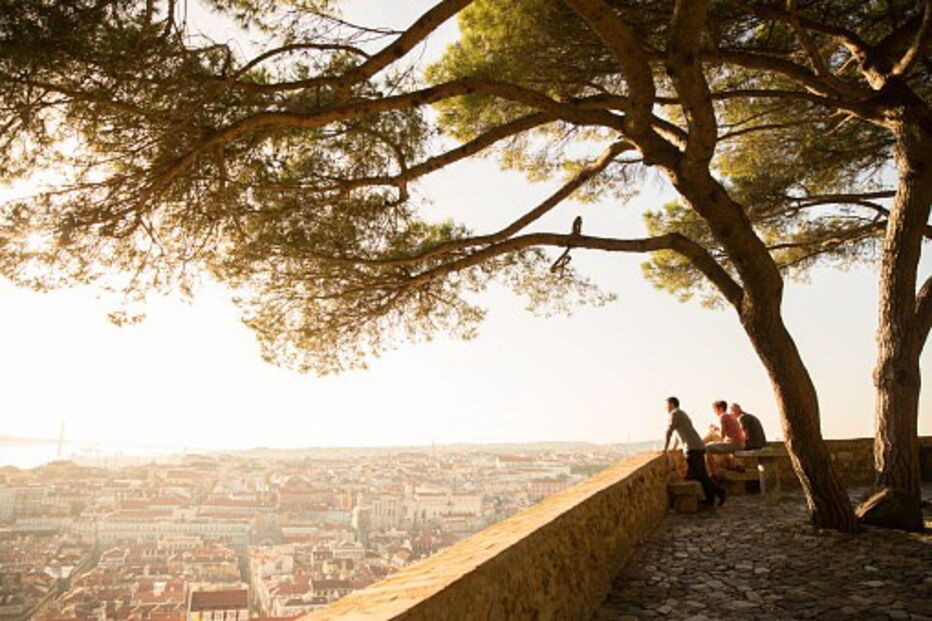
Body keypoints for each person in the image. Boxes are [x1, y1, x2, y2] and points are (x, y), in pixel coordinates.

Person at [663, 396, 726, 506]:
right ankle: (709, 500)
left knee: (700, 475)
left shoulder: (674, 414)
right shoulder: (681, 414)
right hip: (697, 446)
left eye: (666, 404)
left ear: (672, 404)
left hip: (692, 448)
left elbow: (669, 431)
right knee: (701, 475)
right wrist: (673, 447)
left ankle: (720, 492)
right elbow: (680, 433)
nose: (664, 407)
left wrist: (665, 448)